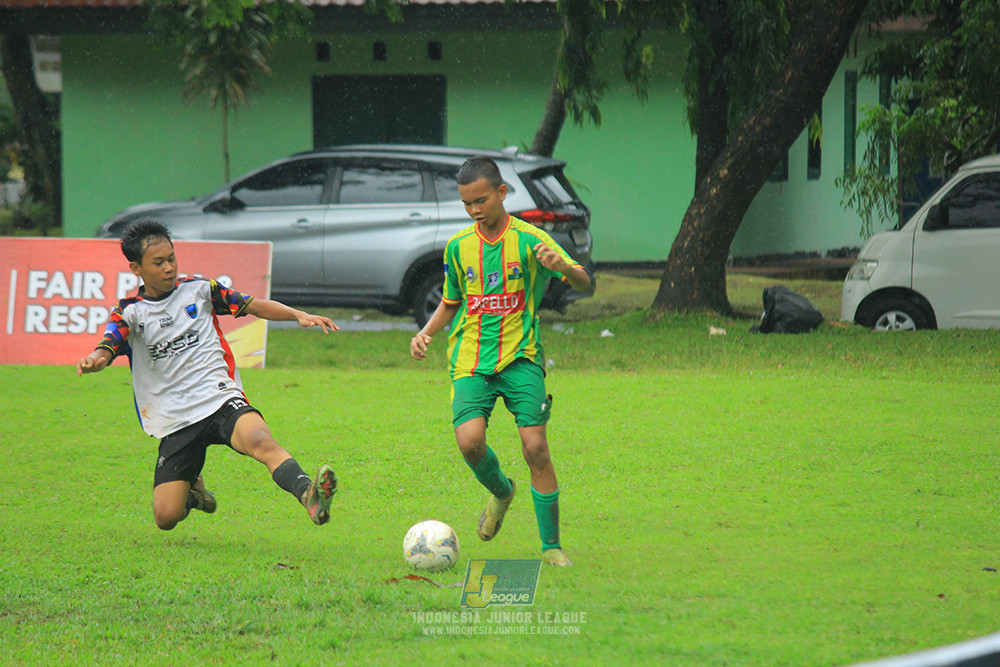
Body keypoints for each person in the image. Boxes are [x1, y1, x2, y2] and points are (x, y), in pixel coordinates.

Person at [77, 218, 339, 531]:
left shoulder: (200, 290)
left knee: (261, 440)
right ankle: (193, 492)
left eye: (171, 258)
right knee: (166, 516)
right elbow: (108, 345)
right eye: (158, 263)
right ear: (136, 269)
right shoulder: (130, 312)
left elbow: (252, 305)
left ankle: (308, 493)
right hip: (176, 418)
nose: (169, 268)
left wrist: (298, 314)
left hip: (218, 397)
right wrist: (96, 359)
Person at [410, 156, 591, 567]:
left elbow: (584, 280)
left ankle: (551, 547)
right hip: (470, 359)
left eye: (481, 200)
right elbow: (451, 302)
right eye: (467, 203)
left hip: (522, 357)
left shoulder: (531, 240)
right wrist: (426, 333)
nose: (475, 209)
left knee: (536, 447)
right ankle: (502, 491)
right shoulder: (458, 247)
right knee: (470, 442)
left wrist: (563, 266)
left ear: (502, 193)